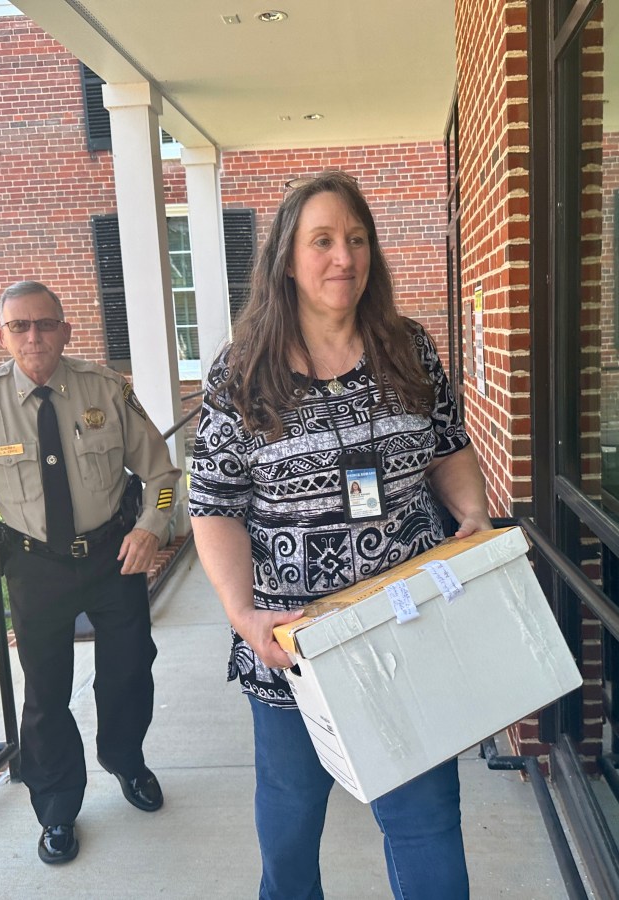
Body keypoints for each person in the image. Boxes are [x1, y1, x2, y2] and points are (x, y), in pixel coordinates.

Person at [189, 171, 492, 900]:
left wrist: (474, 514)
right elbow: (214, 505)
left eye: (356, 239)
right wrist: (242, 613)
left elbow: (448, 446)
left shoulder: (407, 348)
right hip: (295, 645)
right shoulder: (242, 372)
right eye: (321, 241)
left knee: (426, 821)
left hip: (408, 626)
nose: (343, 257)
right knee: (291, 827)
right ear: (287, 259)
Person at [0, 280, 181, 865]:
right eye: (20, 326)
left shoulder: (106, 389)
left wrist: (150, 528)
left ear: (65, 330)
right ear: (2, 335)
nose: (33, 336)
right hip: (34, 567)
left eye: (45, 323)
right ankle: (57, 806)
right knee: (45, 693)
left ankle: (125, 759)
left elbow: (163, 475)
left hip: (113, 556)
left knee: (130, 670)